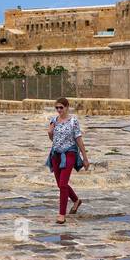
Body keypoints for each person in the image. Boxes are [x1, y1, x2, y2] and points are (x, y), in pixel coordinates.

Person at [46, 96, 88, 224]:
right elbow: (53, 139)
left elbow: (78, 139)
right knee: (60, 184)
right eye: (57, 108)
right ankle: (76, 200)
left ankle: (61, 214)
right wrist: (50, 133)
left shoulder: (73, 121)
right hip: (56, 154)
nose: (59, 110)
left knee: (63, 184)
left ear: (67, 107)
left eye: (61, 107)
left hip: (69, 153)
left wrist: (85, 157)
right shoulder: (54, 120)